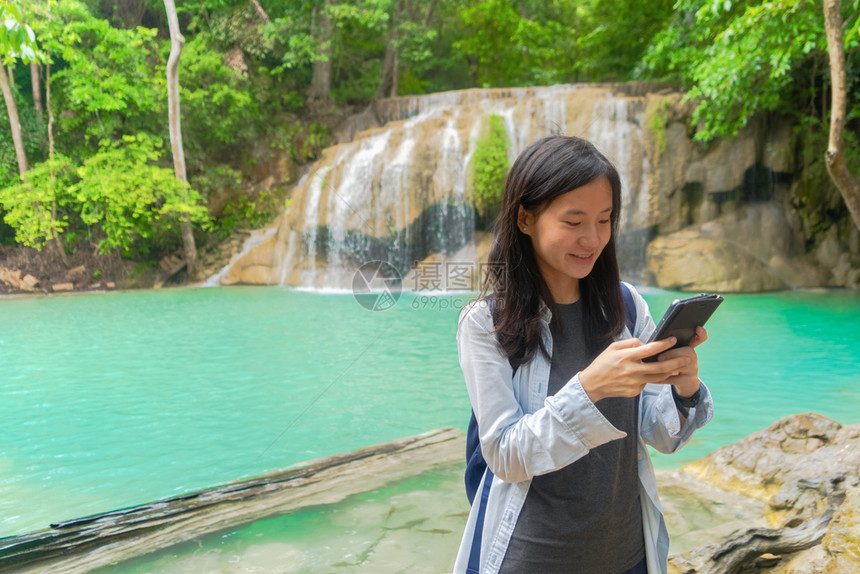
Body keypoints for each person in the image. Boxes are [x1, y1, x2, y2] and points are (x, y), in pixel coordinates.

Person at [453, 135, 713, 574]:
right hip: (532, 559)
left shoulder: (626, 305)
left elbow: (662, 434)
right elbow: (505, 455)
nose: (592, 239)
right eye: (573, 222)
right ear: (525, 218)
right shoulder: (486, 323)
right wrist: (589, 388)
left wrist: (685, 388)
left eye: (605, 220)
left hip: (629, 556)